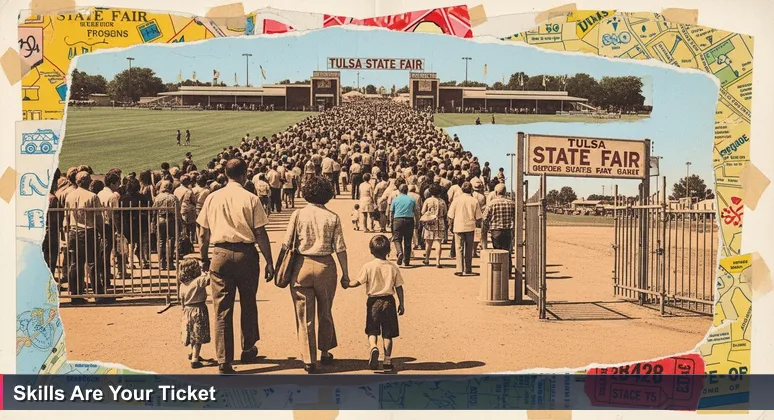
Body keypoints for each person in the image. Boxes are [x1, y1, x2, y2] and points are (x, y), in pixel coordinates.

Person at [197, 158, 275, 374]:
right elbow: (260, 232)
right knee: (248, 302)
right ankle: (248, 347)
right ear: (245, 174)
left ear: (225, 173)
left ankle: (224, 359)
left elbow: (203, 233)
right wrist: (269, 261)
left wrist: (204, 258)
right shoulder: (251, 198)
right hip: (246, 253)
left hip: (220, 252)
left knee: (222, 309)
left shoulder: (212, 197)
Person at [279, 176, 349, 374]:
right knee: (325, 311)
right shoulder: (332, 217)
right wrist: (345, 273)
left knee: (304, 315)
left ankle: (308, 358)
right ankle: (324, 351)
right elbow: (340, 248)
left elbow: (286, 244)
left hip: (301, 265)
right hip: (325, 264)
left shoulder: (298, 214)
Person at [342, 235, 405, 371]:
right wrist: (402, 303)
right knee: (388, 333)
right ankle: (387, 360)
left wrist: (347, 284)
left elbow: (357, 282)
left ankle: (373, 347)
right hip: (389, 301)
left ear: (371, 251)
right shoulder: (392, 267)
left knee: (372, 330)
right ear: (388, 251)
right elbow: (399, 286)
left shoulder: (368, 266)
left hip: (373, 302)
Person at [64, 171, 106, 304]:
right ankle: (98, 294)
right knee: (93, 263)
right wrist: (103, 231)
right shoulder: (92, 196)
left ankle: (76, 294)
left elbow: (67, 215)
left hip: (74, 231)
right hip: (88, 231)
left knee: (76, 263)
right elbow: (98, 217)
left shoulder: (70, 196)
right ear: (89, 181)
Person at [178, 258, 211, 369]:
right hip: (198, 309)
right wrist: (205, 271)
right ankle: (195, 359)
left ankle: (193, 353)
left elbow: (181, 300)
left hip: (187, 310)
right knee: (198, 336)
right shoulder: (198, 281)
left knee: (192, 334)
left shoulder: (182, 285)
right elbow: (209, 279)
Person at [447, 182, 482, 276]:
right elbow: (479, 217)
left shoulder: (456, 200)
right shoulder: (474, 201)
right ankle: (468, 268)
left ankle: (459, 268)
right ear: (471, 190)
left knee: (459, 248)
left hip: (458, 226)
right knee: (469, 248)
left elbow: (450, 215)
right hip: (470, 226)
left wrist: (450, 225)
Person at [482, 183, 516, 267]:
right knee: (507, 251)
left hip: (495, 230)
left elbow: (485, 218)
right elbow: (516, 218)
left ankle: (499, 272)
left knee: (497, 252)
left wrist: (486, 229)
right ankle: (508, 271)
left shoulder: (491, 203)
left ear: (496, 192)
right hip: (508, 230)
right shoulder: (511, 203)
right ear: (505, 192)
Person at [390, 184, 419, 267]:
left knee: (397, 239)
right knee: (408, 241)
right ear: (407, 191)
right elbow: (416, 212)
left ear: (399, 191)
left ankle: (399, 252)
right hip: (409, 220)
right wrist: (417, 222)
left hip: (398, 220)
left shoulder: (395, 199)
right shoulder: (412, 200)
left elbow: (391, 212)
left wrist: (391, 222)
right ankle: (406, 261)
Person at [420, 184, 447, 268]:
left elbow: (422, 211)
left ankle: (427, 259)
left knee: (428, 242)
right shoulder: (442, 201)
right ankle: (438, 261)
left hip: (429, 222)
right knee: (438, 242)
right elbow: (445, 212)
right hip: (440, 222)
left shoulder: (428, 201)